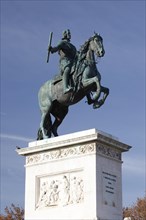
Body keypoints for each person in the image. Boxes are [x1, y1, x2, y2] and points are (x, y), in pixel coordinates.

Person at [49, 29, 77, 94]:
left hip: (73, 62)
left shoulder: (73, 46)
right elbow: (56, 48)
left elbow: (77, 55)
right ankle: (65, 88)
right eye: (68, 34)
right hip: (65, 62)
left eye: (70, 34)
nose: (70, 35)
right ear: (65, 35)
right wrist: (51, 49)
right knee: (67, 69)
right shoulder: (62, 43)